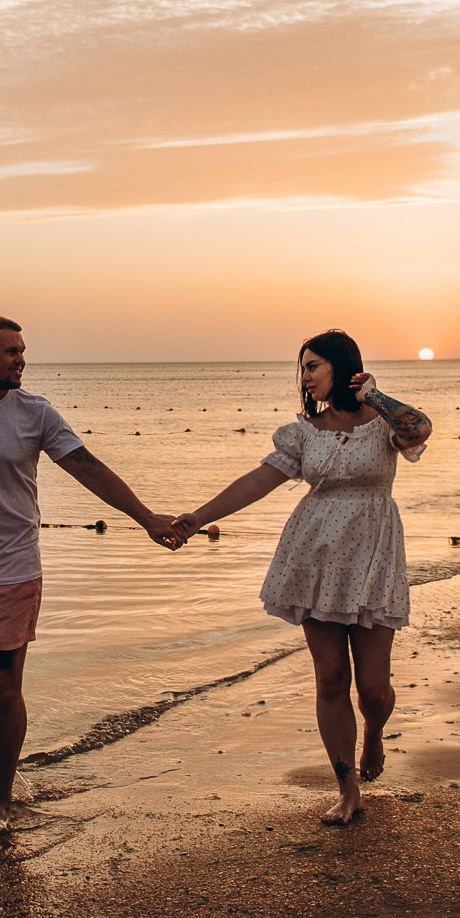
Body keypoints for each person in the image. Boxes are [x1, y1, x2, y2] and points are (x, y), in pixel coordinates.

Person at [0, 316, 177, 839]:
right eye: (11, 351)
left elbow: (90, 468)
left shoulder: (36, 414)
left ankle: (0, 799)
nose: (21, 359)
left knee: (3, 686)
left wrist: (146, 517)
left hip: (13, 576)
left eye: (23, 350)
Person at [171, 329, 431, 827]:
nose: (305, 377)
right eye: (303, 368)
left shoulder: (384, 425)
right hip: (314, 558)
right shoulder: (303, 433)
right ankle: (347, 788)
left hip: (374, 556)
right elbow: (258, 481)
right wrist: (197, 517)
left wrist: (372, 393)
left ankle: (373, 734)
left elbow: (420, 427)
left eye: (313, 366)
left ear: (341, 367)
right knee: (331, 677)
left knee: (374, 691)